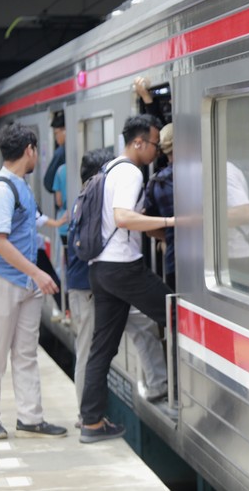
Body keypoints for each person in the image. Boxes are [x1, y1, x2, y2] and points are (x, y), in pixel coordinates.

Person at [79, 114, 175, 443]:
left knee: (102, 349)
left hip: (100, 268)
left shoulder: (108, 169)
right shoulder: (131, 172)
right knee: (179, 315)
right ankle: (192, 392)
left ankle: (91, 422)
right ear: (138, 142)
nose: (156, 152)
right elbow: (122, 218)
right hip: (123, 268)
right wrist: (170, 221)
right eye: (154, 145)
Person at [0, 123, 66, 440]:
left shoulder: (21, 187)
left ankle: (30, 417)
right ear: (29, 150)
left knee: (26, 352)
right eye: (36, 150)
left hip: (25, 283)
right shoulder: (1, 191)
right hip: (0, 280)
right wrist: (38, 273)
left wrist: (33, 276)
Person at [144, 123, 175, 291]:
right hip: (210, 260)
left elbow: (150, 229)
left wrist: (171, 237)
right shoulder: (205, 173)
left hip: (174, 261)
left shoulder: (156, 183)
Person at [43, 111, 66, 194]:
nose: (56, 138)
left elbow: (48, 183)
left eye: (56, 133)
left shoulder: (60, 152)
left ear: (65, 131)